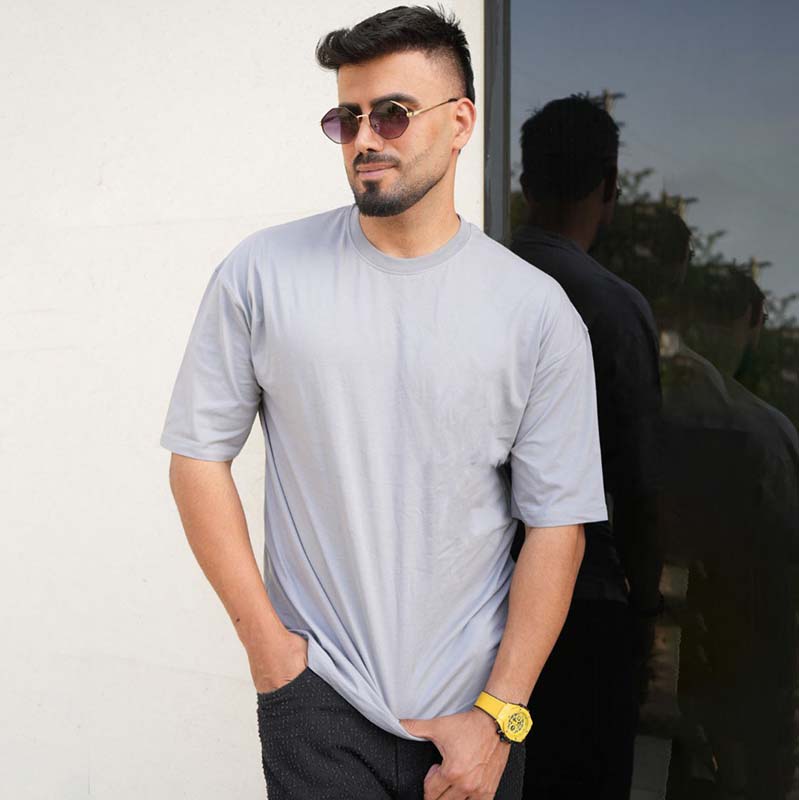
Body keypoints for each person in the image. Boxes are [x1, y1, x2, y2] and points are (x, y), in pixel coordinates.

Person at [160, 8, 607, 799]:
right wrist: (271, 655)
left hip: (475, 715)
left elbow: (557, 526)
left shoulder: (534, 313)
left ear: (460, 122)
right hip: (318, 704)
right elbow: (197, 458)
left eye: (393, 114)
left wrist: (501, 715)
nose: (366, 138)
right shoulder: (262, 274)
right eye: (348, 118)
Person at [510, 95, 664, 798]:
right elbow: (638, 482)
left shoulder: (472, 284)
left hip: (473, 604)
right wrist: (646, 610)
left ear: (524, 182)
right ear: (610, 185)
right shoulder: (610, 305)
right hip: (582, 608)